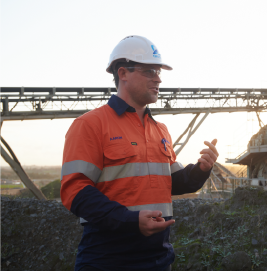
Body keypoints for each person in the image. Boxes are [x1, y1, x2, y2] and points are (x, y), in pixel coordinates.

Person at [60, 35, 218, 271]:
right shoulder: (90, 125)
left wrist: (201, 170)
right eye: (150, 72)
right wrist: (130, 221)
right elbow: (75, 190)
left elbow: (172, 183)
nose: (159, 79)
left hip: (158, 258)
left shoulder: (159, 130)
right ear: (123, 73)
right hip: (107, 259)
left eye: (158, 72)